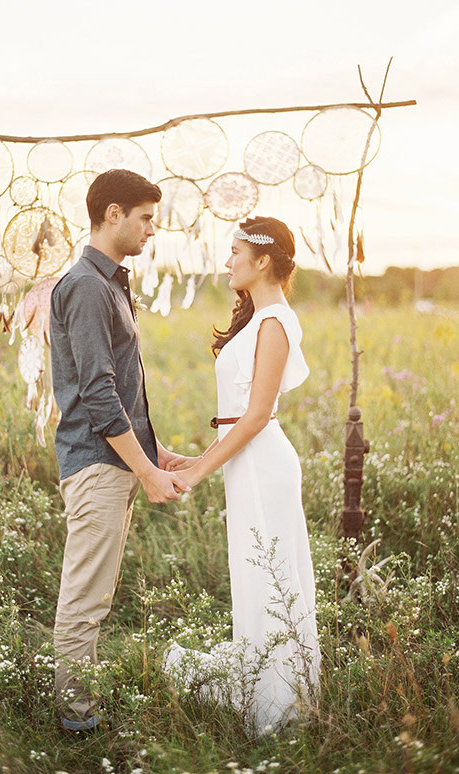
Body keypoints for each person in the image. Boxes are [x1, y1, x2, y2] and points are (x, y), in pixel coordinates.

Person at [165, 216, 320, 732]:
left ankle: (280, 707)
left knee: (268, 574)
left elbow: (256, 416)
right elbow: (239, 415)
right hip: (247, 459)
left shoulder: (275, 322)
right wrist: (198, 458)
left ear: (263, 261)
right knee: (255, 573)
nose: (227, 261)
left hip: (263, 464)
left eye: (235, 252)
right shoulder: (260, 319)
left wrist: (197, 474)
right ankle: (265, 683)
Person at [50, 168, 189, 732]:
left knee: (95, 596)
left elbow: (120, 389)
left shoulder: (109, 282)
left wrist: (157, 452)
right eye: (146, 218)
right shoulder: (85, 285)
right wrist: (148, 474)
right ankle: (76, 722)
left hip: (117, 459)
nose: (152, 229)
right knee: (84, 600)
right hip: (98, 465)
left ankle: (78, 711)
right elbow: (98, 393)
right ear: (113, 214)